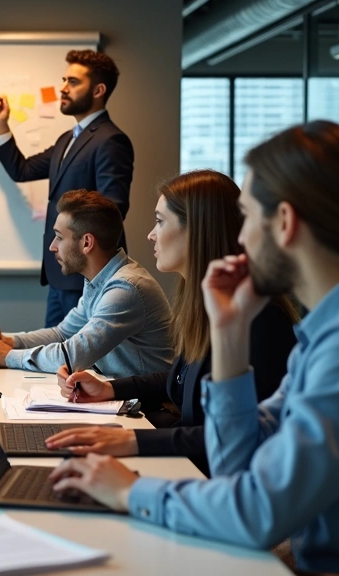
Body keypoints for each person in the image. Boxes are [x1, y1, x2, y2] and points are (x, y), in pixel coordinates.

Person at [48, 122, 339, 574]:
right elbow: (238, 465)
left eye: (246, 217)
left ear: (284, 223)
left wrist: (130, 491)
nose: (238, 235)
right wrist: (229, 337)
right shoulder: (331, 331)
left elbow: (258, 514)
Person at [45, 171, 297, 475]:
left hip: (215, 481)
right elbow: (179, 379)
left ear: (198, 230)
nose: (151, 234)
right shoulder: (205, 302)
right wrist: (109, 389)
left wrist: (131, 440)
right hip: (192, 468)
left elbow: (234, 437)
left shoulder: (258, 321)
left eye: (160, 221)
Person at [0, 50, 134, 327]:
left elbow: (113, 209)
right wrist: (1, 125)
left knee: (77, 363)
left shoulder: (111, 140)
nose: (63, 88)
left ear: (98, 90)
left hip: (86, 272)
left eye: (73, 82)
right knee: (54, 357)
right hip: (61, 272)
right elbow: (24, 170)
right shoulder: (68, 138)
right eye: (64, 79)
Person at [0, 189, 173, 378]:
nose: (52, 247)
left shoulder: (126, 288)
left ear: (87, 243)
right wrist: (13, 341)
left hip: (149, 409)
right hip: (123, 397)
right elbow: (63, 333)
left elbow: (71, 357)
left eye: (59, 237)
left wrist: (7, 356)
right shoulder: (100, 280)